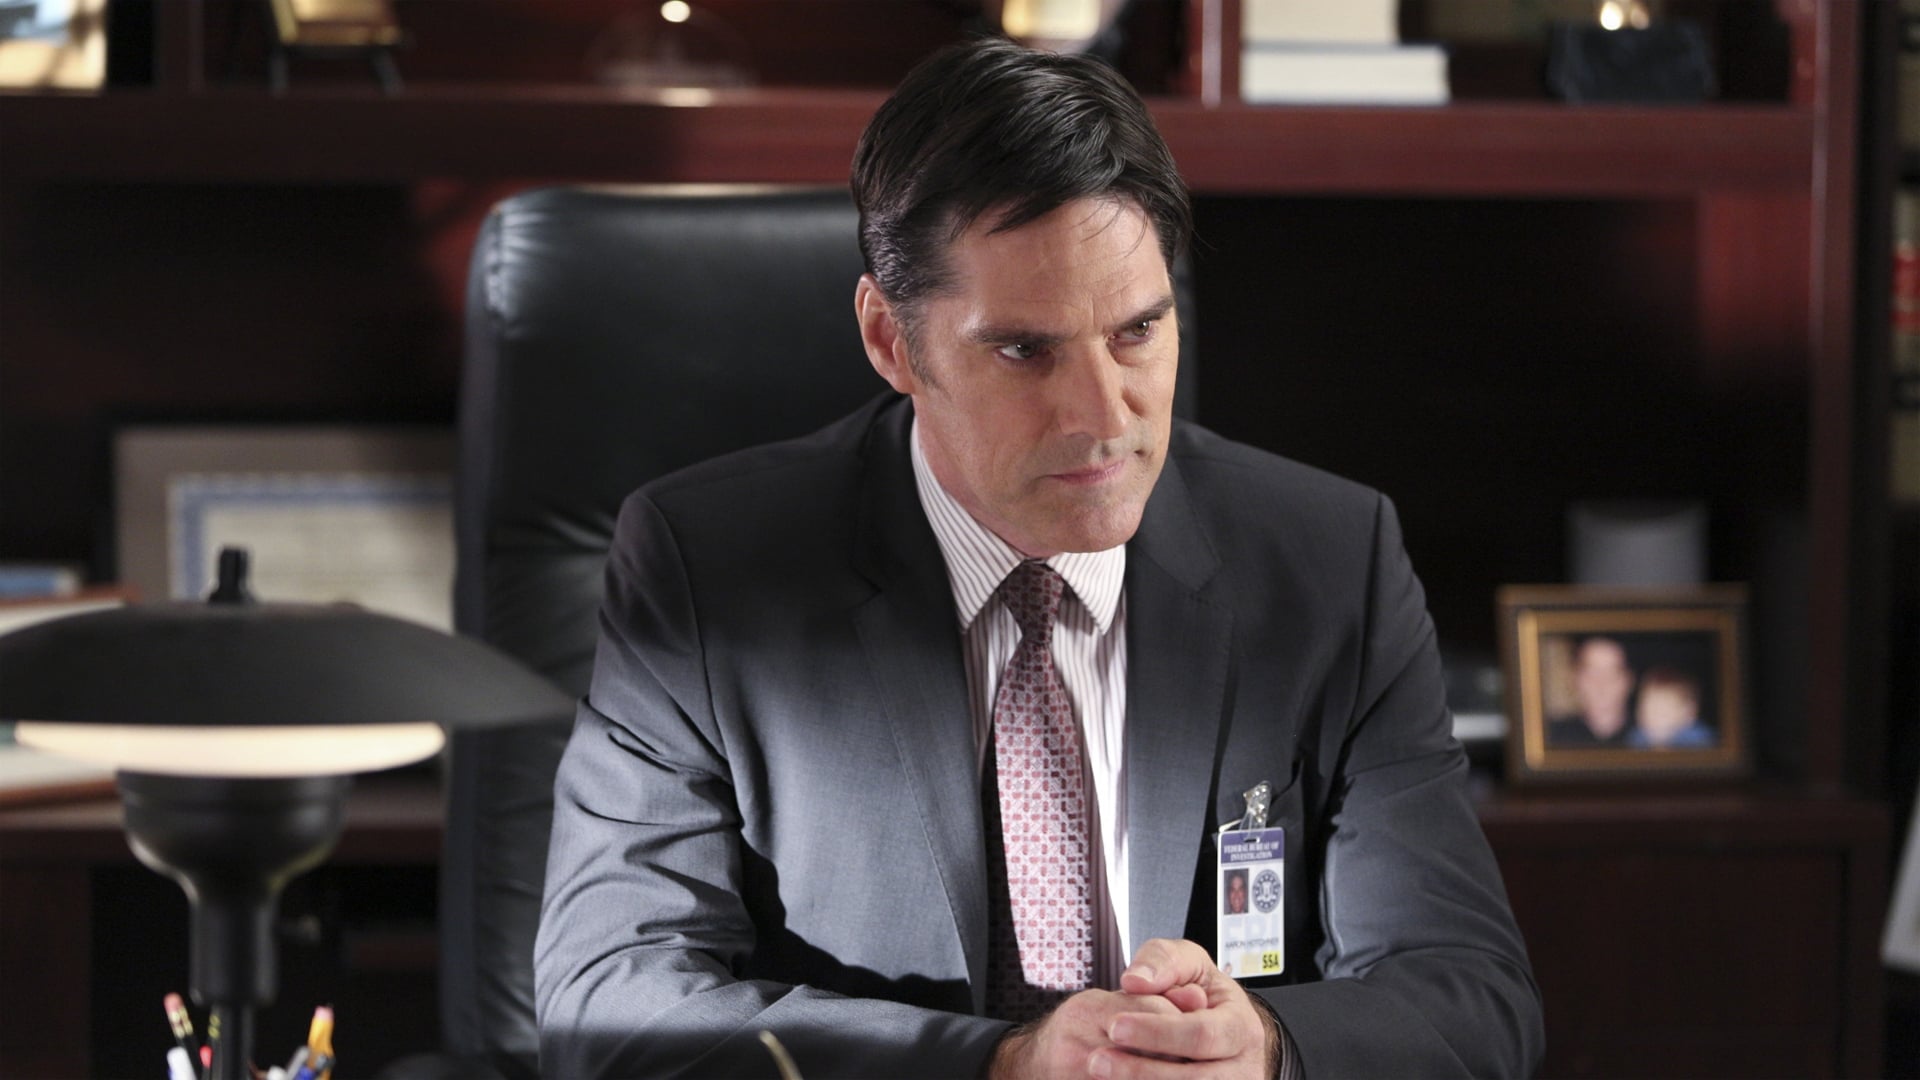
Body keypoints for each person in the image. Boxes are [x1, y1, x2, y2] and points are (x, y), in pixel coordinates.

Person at [534, 38, 1541, 1079]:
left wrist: (1270, 1050)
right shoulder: (705, 572)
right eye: (1025, 350)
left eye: (1138, 331)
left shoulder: (1329, 561)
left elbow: (1469, 995)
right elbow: (607, 1001)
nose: (1103, 418)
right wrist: (1004, 1065)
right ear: (891, 342)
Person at [1546, 635, 1635, 747]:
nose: (1601, 685)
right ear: (1575, 678)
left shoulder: (1647, 738)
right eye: (1591, 674)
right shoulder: (1550, 736)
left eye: (1612, 673)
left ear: (1628, 680)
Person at [1627, 667, 1715, 749]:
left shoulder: (1700, 741)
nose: (1651, 718)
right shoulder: (1636, 738)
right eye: (1645, 710)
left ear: (1688, 714)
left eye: (1661, 712)